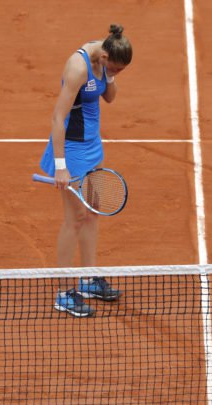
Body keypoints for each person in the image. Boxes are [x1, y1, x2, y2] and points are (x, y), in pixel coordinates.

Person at [39, 24, 132, 317]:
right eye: (114, 67)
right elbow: (57, 117)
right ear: (103, 55)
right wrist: (61, 166)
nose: (117, 72)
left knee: (93, 210)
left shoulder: (105, 62)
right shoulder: (78, 68)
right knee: (74, 219)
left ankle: (89, 279)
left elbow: (110, 98)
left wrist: (112, 77)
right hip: (72, 149)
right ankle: (64, 292)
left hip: (93, 145)